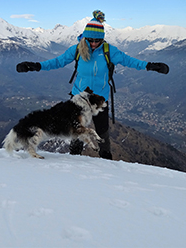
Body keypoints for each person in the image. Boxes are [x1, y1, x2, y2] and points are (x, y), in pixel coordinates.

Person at [16, 10, 169, 159]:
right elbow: (57, 61)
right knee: (77, 130)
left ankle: (106, 159)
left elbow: (130, 61)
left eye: (98, 40)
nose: (94, 43)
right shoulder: (77, 50)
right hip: (78, 99)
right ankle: (74, 159)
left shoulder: (109, 51)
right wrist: (35, 66)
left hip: (99, 99)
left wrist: (150, 66)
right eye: (91, 40)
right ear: (85, 37)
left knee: (102, 132)